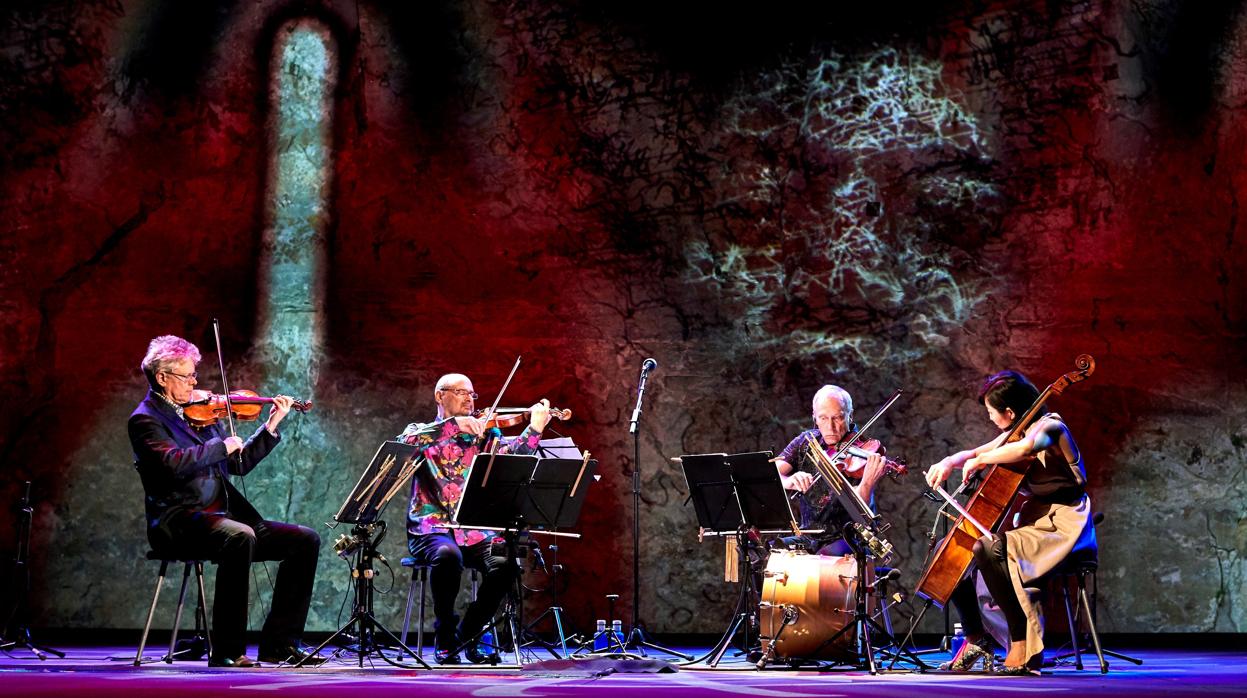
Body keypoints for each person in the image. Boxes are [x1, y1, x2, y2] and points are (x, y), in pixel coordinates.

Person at [128, 335, 322, 668]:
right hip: (179, 521)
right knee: (239, 535)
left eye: (194, 375)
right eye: (186, 376)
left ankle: (279, 644)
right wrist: (221, 446)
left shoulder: (201, 413)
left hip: (219, 516)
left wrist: (270, 426)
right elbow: (171, 464)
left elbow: (238, 464)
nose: (194, 382)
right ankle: (228, 651)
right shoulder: (146, 420)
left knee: (304, 540)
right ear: (162, 378)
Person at [924, 370, 1097, 676]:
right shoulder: (1018, 430)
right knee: (952, 549)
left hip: (1066, 523)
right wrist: (950, 461)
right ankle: (976, 640)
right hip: (1036, 518)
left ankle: (1022, 644)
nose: (990, 419)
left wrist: (979, 462)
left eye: (992, 414)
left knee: (990, 549)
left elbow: (1025, 449)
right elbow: (978, 451)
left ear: (1009, 412)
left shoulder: (1051, 427)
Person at [398, 373, 551, 664]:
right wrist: (452, 425)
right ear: (440, 396)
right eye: (460, 392)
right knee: (447, 556)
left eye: (472, 394)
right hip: (431, 529)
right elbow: (406, 442)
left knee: (506, 564)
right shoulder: (420, 431)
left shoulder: (485, 434)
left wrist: (534, 428)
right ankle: (445, 637)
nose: (469, 398)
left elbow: (514, 459)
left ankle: (469, 632)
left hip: (474, 530)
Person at [773, 384, 887, 555]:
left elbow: (860, 514)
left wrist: (867, 482)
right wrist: (789, 480)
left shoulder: (864, 452)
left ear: (850, 416)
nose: (830, 427)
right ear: (815, 418)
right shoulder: (806, 441)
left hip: (849, 539)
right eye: (823, 418)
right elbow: (772, 473)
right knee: (766, 554)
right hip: (810, 537)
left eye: (838, 418)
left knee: (824, 560)